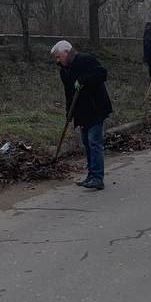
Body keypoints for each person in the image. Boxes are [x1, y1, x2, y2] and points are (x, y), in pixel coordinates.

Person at [51, 40, 113, 191]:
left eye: (59, 57)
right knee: (86, 142)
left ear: (67, 52)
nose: (57, 60)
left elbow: (102, 74)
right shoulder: (64, 71)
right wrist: (69, 113)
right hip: (81, 111)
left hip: (96, 107)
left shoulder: (86, 60)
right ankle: (91, 175)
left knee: (94, 142)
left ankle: (97, 178)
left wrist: (84, 80)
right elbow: (68, 93)